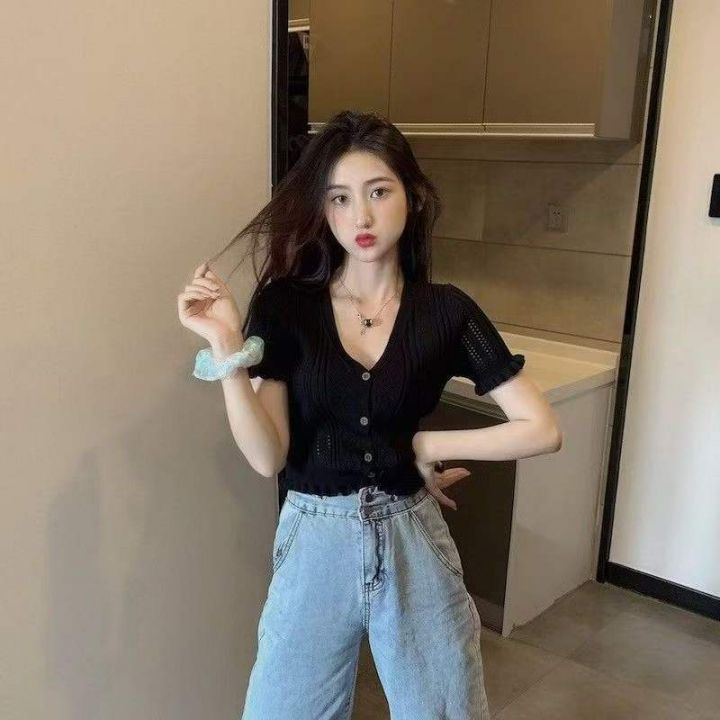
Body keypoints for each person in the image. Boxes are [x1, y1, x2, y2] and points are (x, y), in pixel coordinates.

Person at [177, 110, 562, 720]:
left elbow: (542, 429)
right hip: (313, 540)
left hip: (412, 537)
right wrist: (227, 347)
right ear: (324, 210)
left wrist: (429, 446)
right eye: (340, 198)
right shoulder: (286, 306)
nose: (360, 217)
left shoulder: (447, 313)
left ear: (413, 196)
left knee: (444, 711)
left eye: (378, 192)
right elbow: (268, 457)